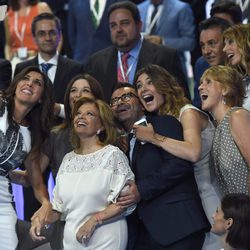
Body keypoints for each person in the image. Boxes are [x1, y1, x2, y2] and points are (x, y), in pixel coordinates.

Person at [132, 64, 222, 250]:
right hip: (198, 197)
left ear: (163, 84)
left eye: (150, 82)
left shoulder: (187, 112)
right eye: (139, 86)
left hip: (212, 196)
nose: (143, 89)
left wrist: (153, 138)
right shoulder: (164, 120)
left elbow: (193, 152)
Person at [12, 74, 105, 250]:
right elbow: (31, 177)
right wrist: (5, 172)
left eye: (86, 90)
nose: (78, 95)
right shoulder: (56, 135)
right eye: (74, 90)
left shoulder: (111, 136)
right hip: (64, 222)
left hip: (102, 223)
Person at [111, 84, 209, 249]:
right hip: (143, 235)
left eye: (126, 97)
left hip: (178, 227)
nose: (119, 102)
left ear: (142, 104)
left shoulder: (163, 123)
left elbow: (180, 164)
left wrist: (141, 189)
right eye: (114, 101)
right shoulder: (121, 144)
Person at [30, 97, 135, 250]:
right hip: (72, 242)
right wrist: (42, 219)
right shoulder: (68, 160)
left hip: (106, 239)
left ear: (101, 126)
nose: (81, 116)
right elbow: (59, 210)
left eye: (89, 114)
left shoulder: (113, 155)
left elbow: (123, 203)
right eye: (78, 113)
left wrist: (94, 220)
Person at [85, 1, 190, 102]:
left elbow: (182, 99)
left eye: (125, 23)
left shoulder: (166, 56)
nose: (118, 29)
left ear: (139, 25)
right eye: (113, 25)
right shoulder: (96, 62)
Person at [0, 66, 54, 250]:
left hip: (2, 203)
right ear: (16, 85)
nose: (29, 83)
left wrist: (46, 203)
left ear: (40, 97)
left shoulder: (33, 135)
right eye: (26, 78)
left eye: (37, 83)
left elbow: (35, 181)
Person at [199, 65, 250, 197]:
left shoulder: (237, 116)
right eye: (200, 83)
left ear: (226, 89)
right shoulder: (219, 129)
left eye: (208, 82)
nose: (200, 87)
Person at [14, 12, 84, 104]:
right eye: (42, 33)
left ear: (60, 35)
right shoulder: (22, 69)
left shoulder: (76, 69)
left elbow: (79, 104)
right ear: (34, 38)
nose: (48, 38)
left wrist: (59, 110)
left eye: (52, 33)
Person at [138, 0, 196, 74]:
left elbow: (190, 42)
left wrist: (162, 41)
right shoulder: (139, 8)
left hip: (172, 69)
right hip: (144, 68)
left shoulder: (181, 8)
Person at [193, 17, 231, 107]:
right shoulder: (202, 64)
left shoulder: (241, 65)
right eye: (202, 45)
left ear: (227, 42)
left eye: (212, 43)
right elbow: (198, 104)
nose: (206, 51)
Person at [223, 23, 250, 111]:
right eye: (225, 44)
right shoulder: (241, 82)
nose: (224, 49)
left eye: (230, 42)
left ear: (245, 42)